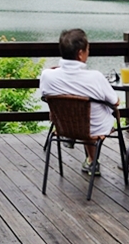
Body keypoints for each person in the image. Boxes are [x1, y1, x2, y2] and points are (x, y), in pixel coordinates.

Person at [37, 28, 118, 176]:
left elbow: (46, 91)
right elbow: (115, 101)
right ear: (80, 54)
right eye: (87, 50)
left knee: (79, 114)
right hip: (95, 128)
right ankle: (92, 161)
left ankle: (83, 150)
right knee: (95, 113)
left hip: (63, 126)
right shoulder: (95, 77)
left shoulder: (47, 75)